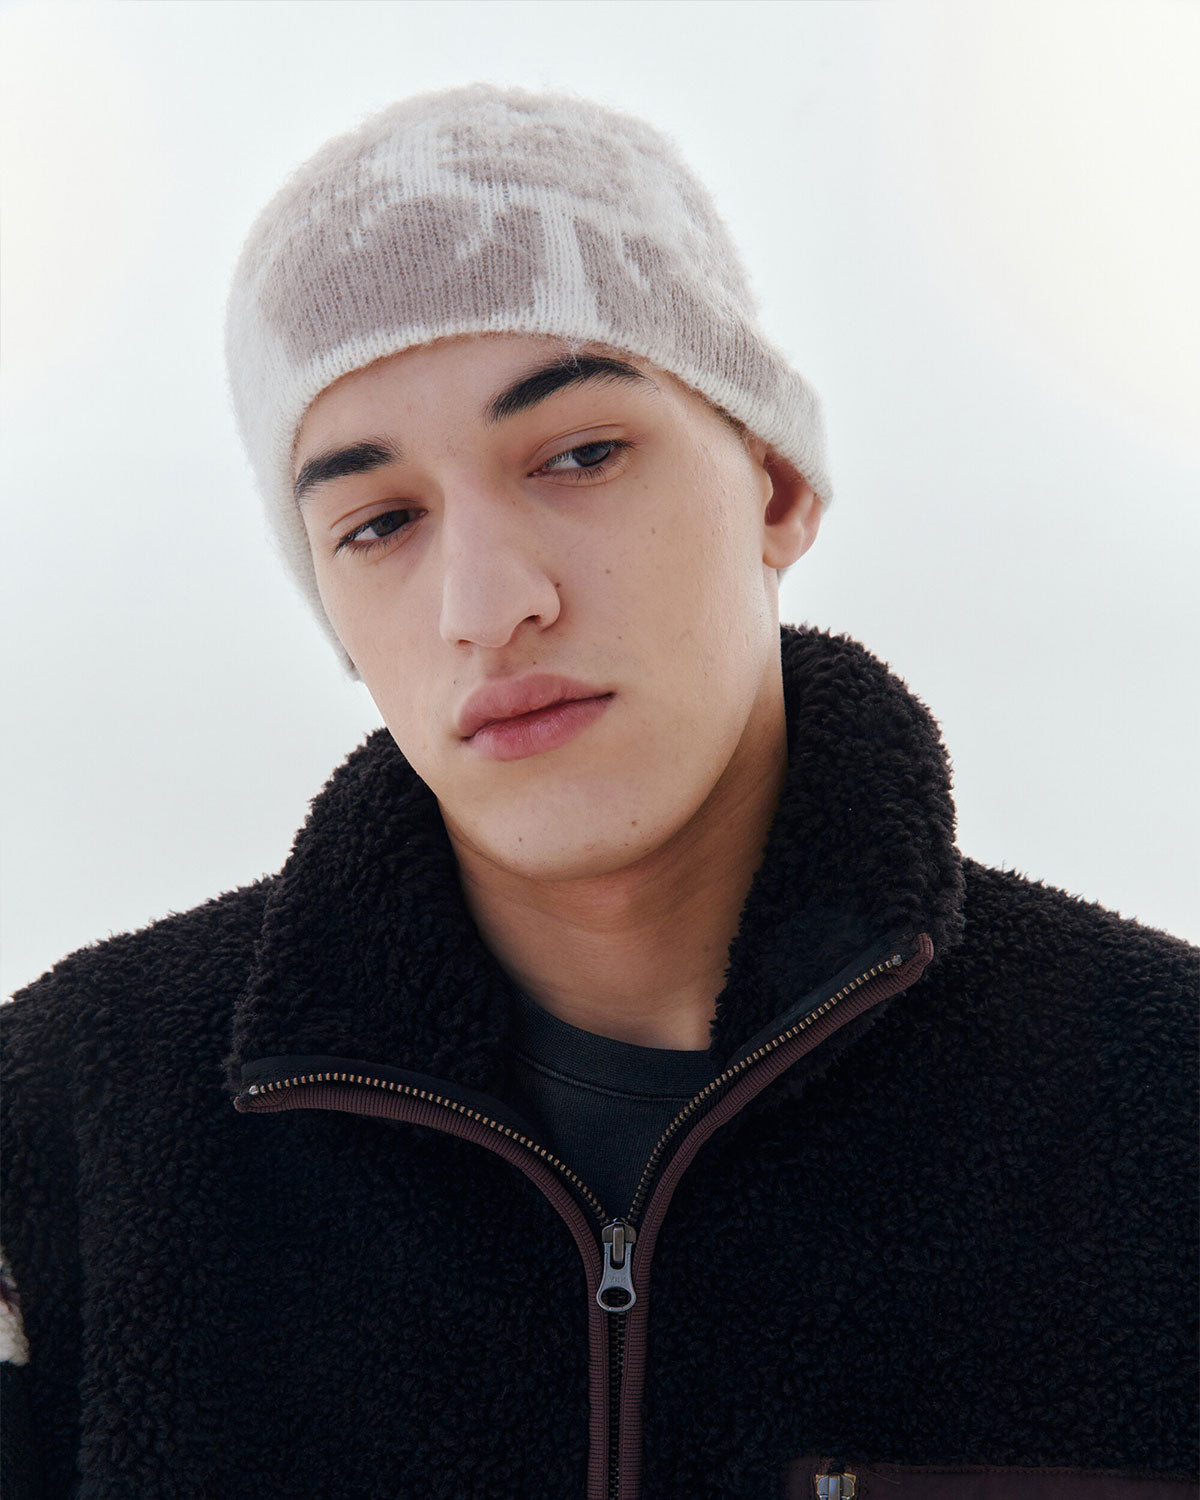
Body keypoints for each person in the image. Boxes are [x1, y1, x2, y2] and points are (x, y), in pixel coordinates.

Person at [1, 83, 1195, 1500]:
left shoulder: (1160, 1102)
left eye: (578, 454)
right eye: (378, 522)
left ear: (774, 481)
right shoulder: (70, 1119)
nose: (486, 603)